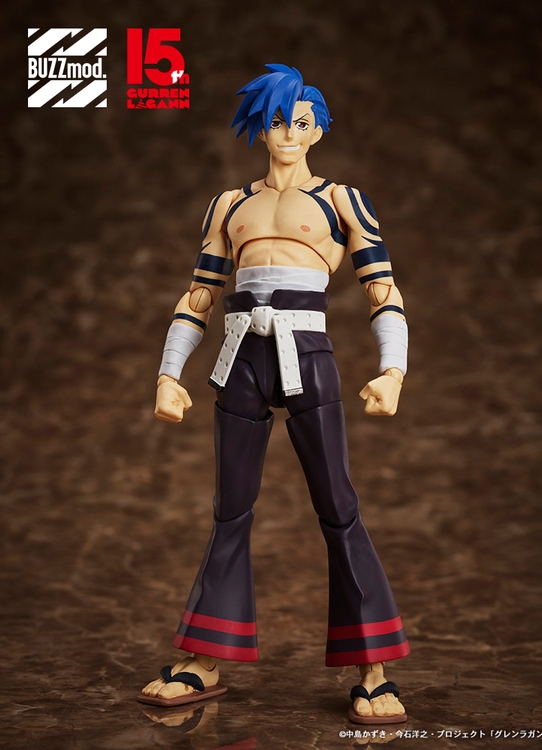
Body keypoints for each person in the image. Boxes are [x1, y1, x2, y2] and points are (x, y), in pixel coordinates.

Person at [138, 64, 409, 724]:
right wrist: (169, 373)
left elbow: (382, 289)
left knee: (337, 506)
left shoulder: (341, 200)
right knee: (229, 508)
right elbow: (198, 295)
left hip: (307, 353)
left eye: (301, 122)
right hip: (240, 358)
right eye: (277, 121)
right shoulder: (229, 205)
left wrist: (393, 369)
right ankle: (204, 658)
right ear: (260, 129)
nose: (288, 132)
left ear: (318, 130)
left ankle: (373, 666)